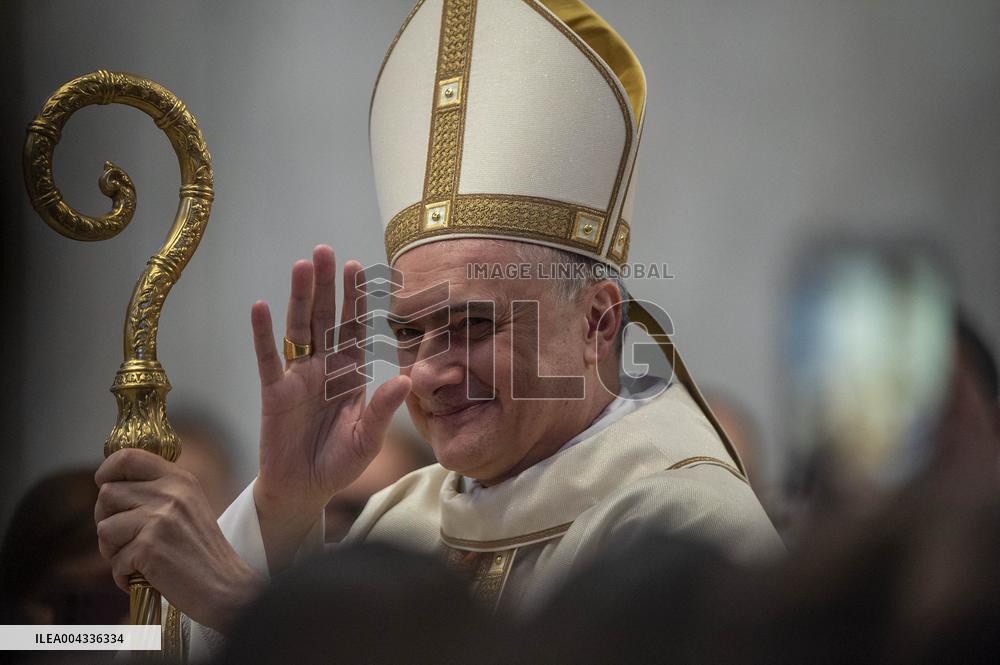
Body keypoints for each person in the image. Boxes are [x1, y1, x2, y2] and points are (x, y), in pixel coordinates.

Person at [93, 1, 783, 660]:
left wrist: (246, 609)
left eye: (473, 323)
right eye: (408, 332)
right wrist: (285, 508)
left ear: (597, 321)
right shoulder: (401, 518)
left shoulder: (696, 529)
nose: (426, 372)